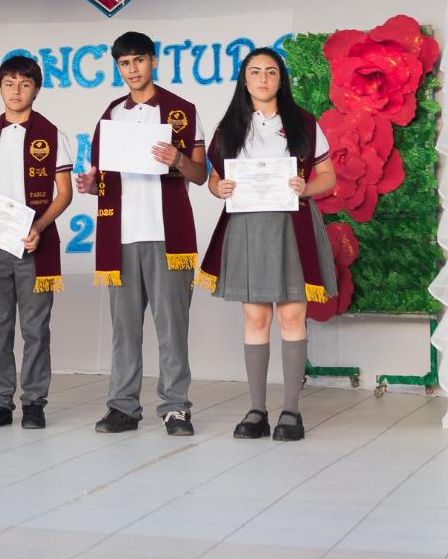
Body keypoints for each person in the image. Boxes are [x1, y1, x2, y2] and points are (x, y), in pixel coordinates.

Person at [200, 48, 337, 442]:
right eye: (255, 72)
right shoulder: (229, 127)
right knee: (255, 319)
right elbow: (214, 180)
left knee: (293, 316)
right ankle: (256, 409)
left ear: (281, 79)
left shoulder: (304, 123)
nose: (263, 79)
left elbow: (328, 176)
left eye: (271, 72)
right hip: (246, 228)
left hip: (292, 227)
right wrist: (218, 187)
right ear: (244, 80)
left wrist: (306, 187)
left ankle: (291, 411)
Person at [76, 32, 207, 437]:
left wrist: (179, 158)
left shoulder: (182, 111)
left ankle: (176, 407)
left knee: (172, 326)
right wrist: (89, 184)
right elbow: (104, 177)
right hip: (121, 236)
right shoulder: (111, 115)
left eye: (138, 61)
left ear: (153, 61)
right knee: (125, 328)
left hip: (168, 235)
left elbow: (201, 175)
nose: (132, 70)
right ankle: (122, 406)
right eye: (124, 63)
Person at [0, 55, 73, 430]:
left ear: (36, 89)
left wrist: (39, 226)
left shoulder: (52, 134)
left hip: (32, 244)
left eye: (25, 84)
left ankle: (35, 402)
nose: (16, 91)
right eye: (9, 83)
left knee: (36, 327)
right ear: (0, 86)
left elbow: (64, 193)